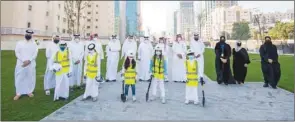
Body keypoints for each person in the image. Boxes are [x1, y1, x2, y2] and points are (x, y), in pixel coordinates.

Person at [14, 29, 38, 100]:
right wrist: (23, 60)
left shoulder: (34, 44)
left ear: (32, 35)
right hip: (21, 63)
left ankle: (29, 91)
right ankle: (18, 93)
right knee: (19, 78)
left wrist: (29, 61)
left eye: (30, 34)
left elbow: (35, 53)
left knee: (30, 77)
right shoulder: (19, 43)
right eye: (27, 34)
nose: (29, 35)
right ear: (25, 34)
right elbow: (17, 52)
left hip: (31, 63)